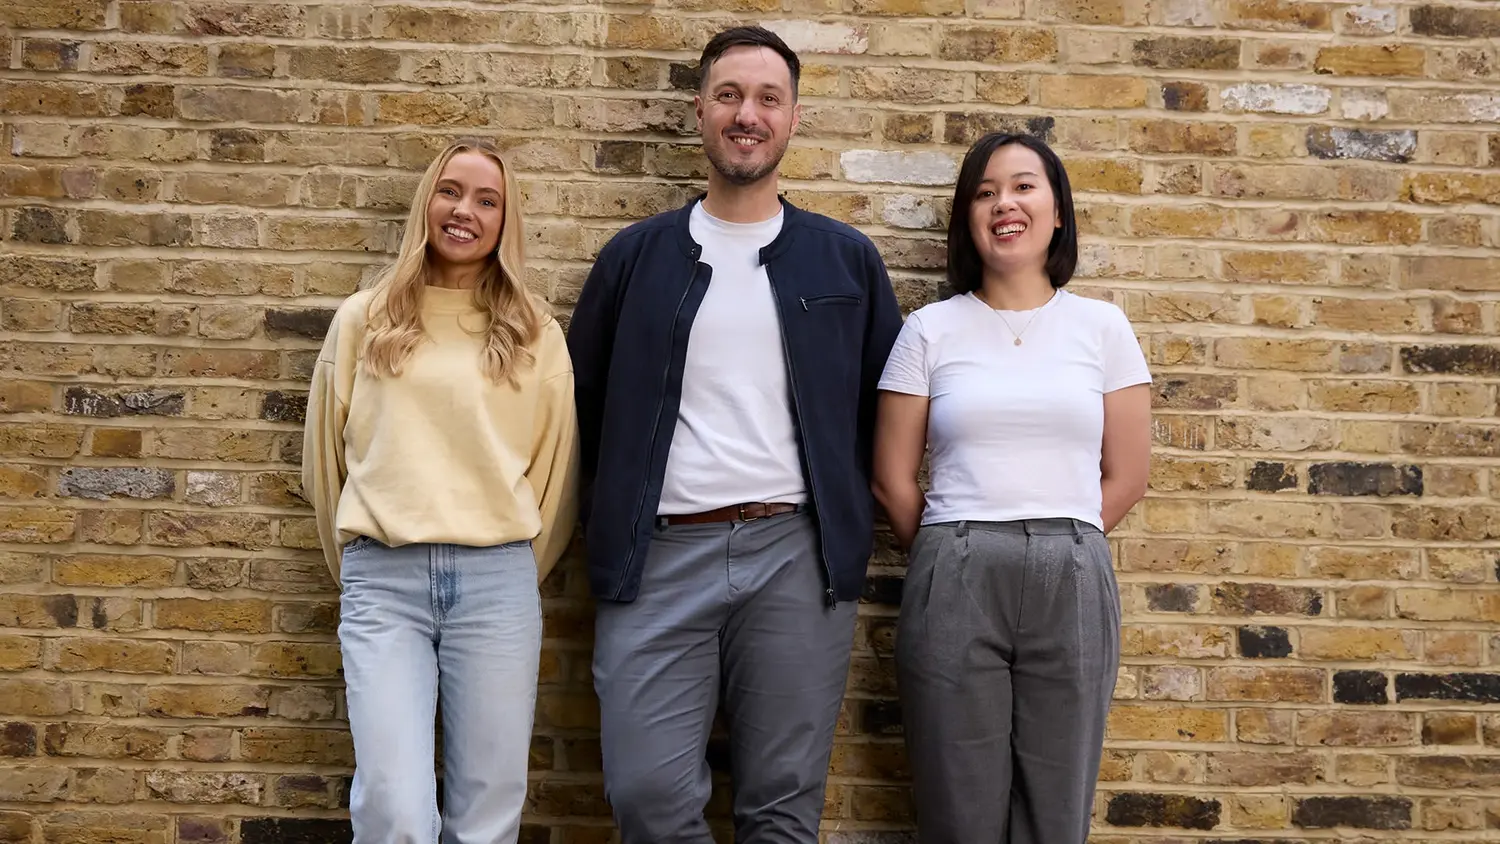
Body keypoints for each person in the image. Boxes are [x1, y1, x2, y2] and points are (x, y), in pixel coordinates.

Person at [566, 25, 903, 844]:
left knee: (782, 809)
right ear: (699, 111)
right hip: (657, 559)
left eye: (766, 99)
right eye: (729, 95)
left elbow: (883, 410)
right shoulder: (634, 259)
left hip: (794, 556)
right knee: (647, 798)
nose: (746, 114)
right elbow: (579, 406)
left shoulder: (845, 261)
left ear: (791, 119)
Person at [872, 132, 1152, 844]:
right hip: (956, 566)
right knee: (958, 812)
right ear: (969, 217)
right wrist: (949, 558)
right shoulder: (929, 331)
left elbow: (1127, 474)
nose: (1005, 203)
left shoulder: (1103, 328)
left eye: (1024, 186)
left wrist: (1062, 545)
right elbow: (893, 476)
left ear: (1057, 210)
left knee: (1056, 816)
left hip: (1073, 573)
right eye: (985, 191)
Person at [301, 137, 579, 844]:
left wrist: (508, 566)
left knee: (488, 810)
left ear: (505, 221)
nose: (465, 211)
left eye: (488, 200)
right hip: (383, 582)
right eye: (451, 191)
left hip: (496, 587)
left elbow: (555, 475)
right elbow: (323, 466)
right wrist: (361, 560)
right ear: (427, 199)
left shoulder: (534, 333)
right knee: (393, 807)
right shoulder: (364, 320)